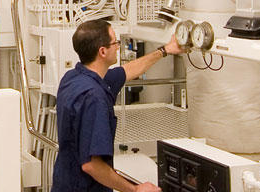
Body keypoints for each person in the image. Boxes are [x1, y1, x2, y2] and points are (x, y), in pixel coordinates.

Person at [53, 19, 183, 192]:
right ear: (103, 51)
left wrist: (165, 50)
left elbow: (127, 71)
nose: (118, 46)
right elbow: (91, 165)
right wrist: (135, 190)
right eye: (115, 42)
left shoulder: (73, 78)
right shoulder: (95, 98)